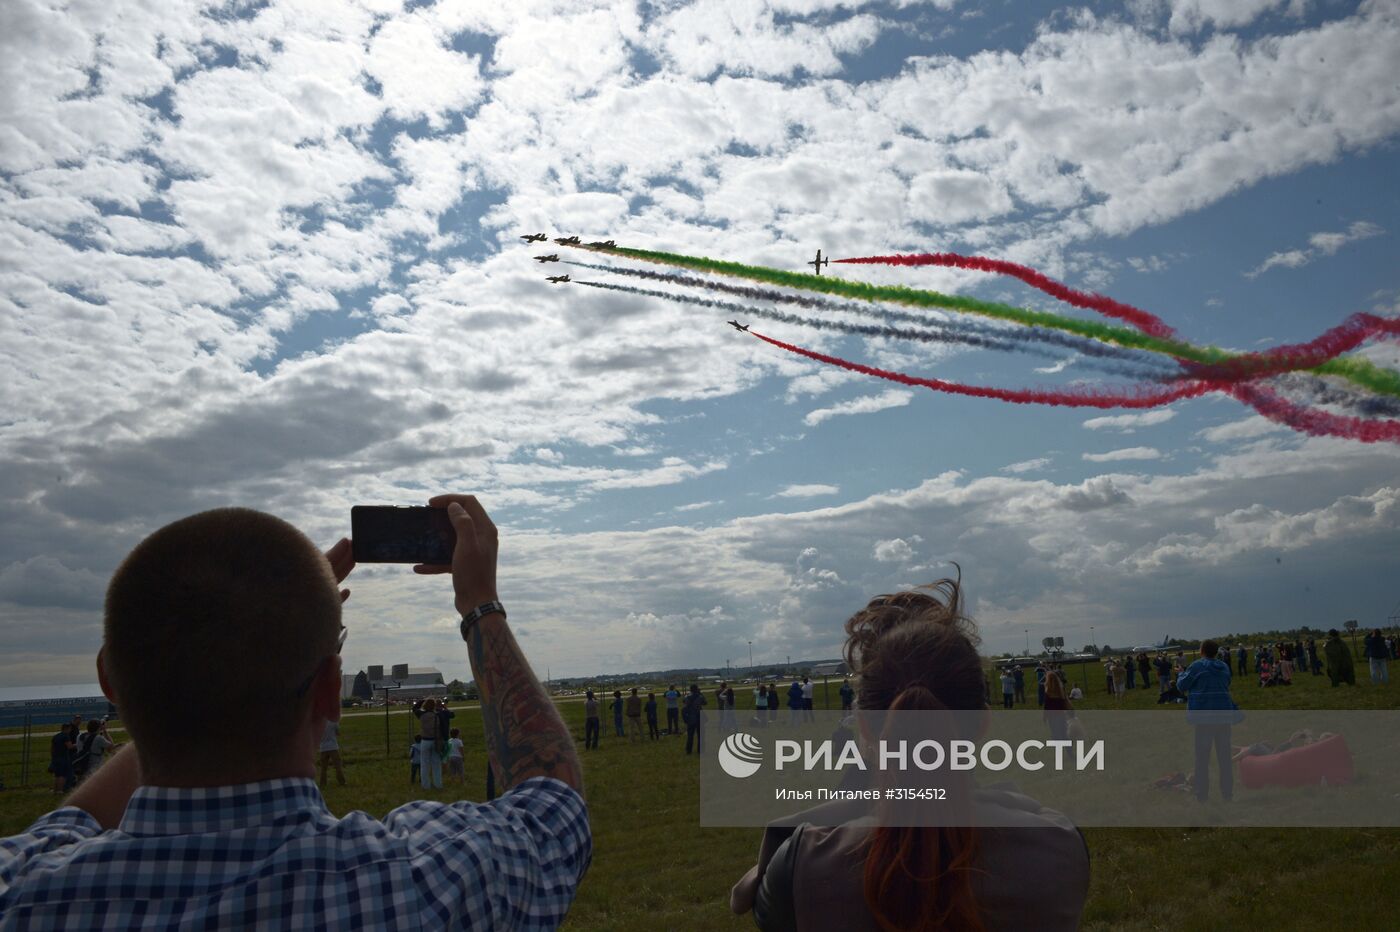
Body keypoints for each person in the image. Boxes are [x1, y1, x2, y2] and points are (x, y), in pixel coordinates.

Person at [0, 500, 589, 927]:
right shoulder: (424, 885)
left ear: (111, 682)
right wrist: (479, 604)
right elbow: (551, 802)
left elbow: (66, 825)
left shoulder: (21, 889)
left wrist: (202, 664)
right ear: (330, 692)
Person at [731, 578, 1089, 930]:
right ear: (982, 724)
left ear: (867, 729)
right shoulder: (1059, 848)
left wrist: (790, 839)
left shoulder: (802, 868)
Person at [1176, 640, 1239, 803]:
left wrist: (1181, 673)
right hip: (1223, 716)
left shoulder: (1197, 666)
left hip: (1204, 718)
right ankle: (1227, 794)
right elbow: (1227, 682)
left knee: (1202, 759)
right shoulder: (1224, 666)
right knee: (1224, 758)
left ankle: (1202, 795)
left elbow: (1182, 685)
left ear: (1202, 651)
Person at [419, 697, 443, 790]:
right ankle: (438, 784)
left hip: (425, 740)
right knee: (436, 764)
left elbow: (415, 708)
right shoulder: (437, 715)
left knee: (424, 765)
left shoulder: (421, 715)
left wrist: (422, 700)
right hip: (435, 740)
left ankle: (426, 785)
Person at [1043, 668, 1072, 741]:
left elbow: (1047, 707)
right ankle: (1070, 751)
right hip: (1061, 715)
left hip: (1052, 716)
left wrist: (1045, 716)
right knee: (1064, 734)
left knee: (1055, 734)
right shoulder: (1060, 692)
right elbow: (1065, 703)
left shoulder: (1048, 693)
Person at [48, 723, 76, 794]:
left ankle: (55, 789)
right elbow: (69, 746)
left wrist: (53, 757)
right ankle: (60, 790)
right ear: (67, 728)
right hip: (63, 757)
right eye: (70, 729)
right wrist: (77, 745)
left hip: (55, 757)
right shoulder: (66, 736)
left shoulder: (56, 736)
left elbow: (52, 748)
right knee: (63, 775)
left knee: (57, 775)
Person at [318, 719, 346, 788]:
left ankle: (323, 783)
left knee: (323, 768)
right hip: (333, 747)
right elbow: (338, 732)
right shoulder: (333, 721)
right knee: (338, 766)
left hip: (323, 748)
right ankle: (342, 782)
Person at [683, 683, 706, 754]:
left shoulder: (687, 697)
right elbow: (705, 703)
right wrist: (700, 694)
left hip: (690, 717)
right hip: (699, 716)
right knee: (700, 735)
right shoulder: (700, 697)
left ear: (690, 690)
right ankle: (700, 750)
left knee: (690, 735)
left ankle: (688, 750)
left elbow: (684, 702)